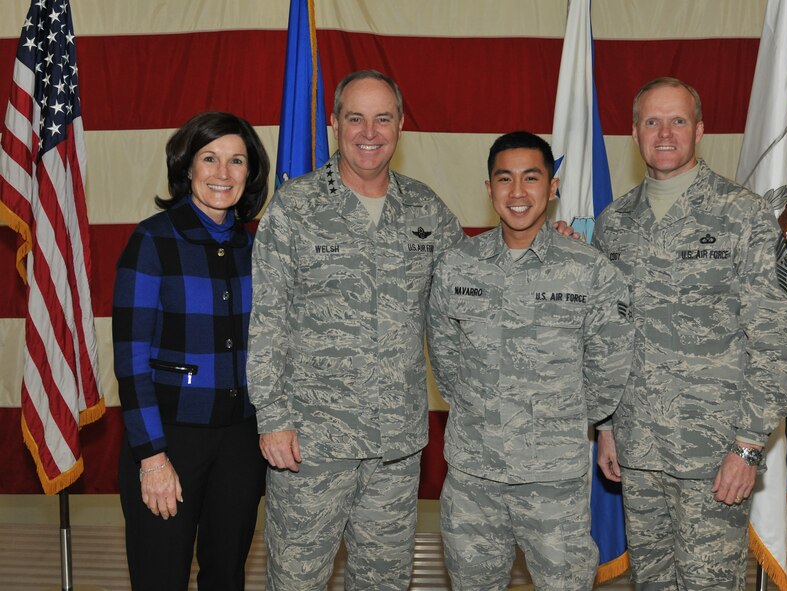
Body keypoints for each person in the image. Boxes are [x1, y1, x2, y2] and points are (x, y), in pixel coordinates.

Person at [247, 70, 465, 590]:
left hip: (395, 445)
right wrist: (272, 417)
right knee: (297, 580)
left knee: (384, 582)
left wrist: (549, 238)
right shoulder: (295, 209)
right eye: (356, 118)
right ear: (334, 124)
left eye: (383, 118)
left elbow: (476, 284)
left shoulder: (425, 209)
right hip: (310, 444)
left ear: (401, 125)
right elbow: (267, 319)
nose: (370, 132)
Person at [593, 77, 787, 590]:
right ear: (635, 132)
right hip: (638, 449)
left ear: (700, 130)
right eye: (652, 121)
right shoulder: (614, 222)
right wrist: (604, 425)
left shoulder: (745, 215)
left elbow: (777, 340)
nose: (664, 133)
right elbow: (602, 334)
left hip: (714, 453)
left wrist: (749, 447)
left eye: (678, 120)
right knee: (652, 582)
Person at [425, 131, 635, 590]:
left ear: (552, 187)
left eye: (531, 178)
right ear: (489, 189)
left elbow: (608, 361)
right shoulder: (458, 265)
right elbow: (444, 356)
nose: (518, 193)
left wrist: (567, 420)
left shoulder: (588, 269)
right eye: (505, 179)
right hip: (472, 479)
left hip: (554, 480)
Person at [113, 111, 270, 590]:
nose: (223, 173)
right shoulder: (153, 239)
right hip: (169, 439)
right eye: (210, 158)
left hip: (242, 440)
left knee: (226, 575)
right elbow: (131, 360)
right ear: (187, 166)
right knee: (160, 576)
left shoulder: (258, 248)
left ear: (251, 173)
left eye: (236, 161)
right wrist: (153, 458)